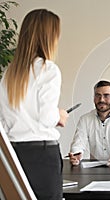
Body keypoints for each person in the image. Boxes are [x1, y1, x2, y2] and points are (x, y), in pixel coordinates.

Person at [0, 9, 68, 199]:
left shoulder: (9, 74)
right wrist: (59, 115)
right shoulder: (49, 70)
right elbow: (47, 118)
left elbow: (3, 121)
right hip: (43, 156)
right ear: (49, 37)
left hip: (14, 156)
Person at [69, 80, 110, 166]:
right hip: (94, 170)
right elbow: (78, 144)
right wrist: (76, 154)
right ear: (94, 98)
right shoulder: (85, 119)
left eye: (106, 96)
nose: (101, 99)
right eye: (98, 95)